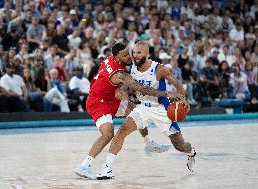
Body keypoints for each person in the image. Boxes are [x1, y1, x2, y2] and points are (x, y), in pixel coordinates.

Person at [74, 43, 180, 179]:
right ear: (117, 57)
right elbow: (142, 89)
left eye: (128, 53)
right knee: (108, 134)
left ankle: (148, 143)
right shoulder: (119, 74)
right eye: (125, 56)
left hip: (111, 98)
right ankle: (85, 165)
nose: (129, 57)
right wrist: (167, 94)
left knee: (138, 109)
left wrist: (122, 90)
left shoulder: (110, 59)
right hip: (98, 103)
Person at [98, 41, 196, 179]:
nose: (135, 55)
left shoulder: (159, 68)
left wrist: (183, 100)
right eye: (134, 52)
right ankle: (106, 168)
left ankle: (191, 151)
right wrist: (122, 93)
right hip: (143, 108)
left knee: (179, 145)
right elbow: (121, 85)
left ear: (147, 53)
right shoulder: (130, 69)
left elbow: (177, 84)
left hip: (161, 109)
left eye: (139, 53)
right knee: (122, 131)